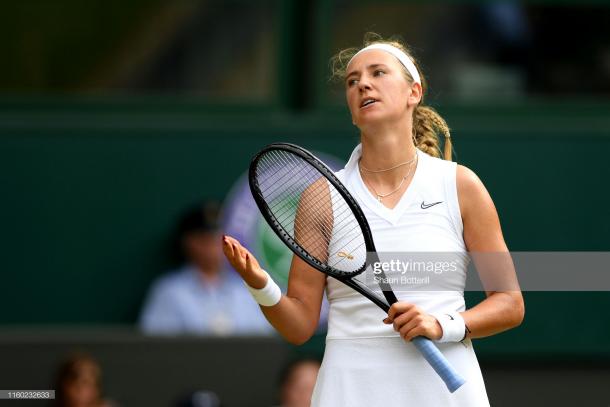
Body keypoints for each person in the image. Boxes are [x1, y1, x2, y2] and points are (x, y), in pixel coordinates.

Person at [222, 33, 524, 406]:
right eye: (352, 81)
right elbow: (299, 325)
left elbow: (510, 303)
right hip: (350, 388)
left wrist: (442, 325)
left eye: (378, 73)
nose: (363, 83)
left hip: (445, 390)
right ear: (351, 108)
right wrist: (260, 286)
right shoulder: (320, 197)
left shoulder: (460, 185)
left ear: (413, 92)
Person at [139, 201, 272, 335]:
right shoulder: (170, 291)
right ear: (188, 242)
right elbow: (156, 347)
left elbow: (264, 343)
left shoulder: (246, 291)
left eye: (222, 237)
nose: (216, 245)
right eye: (206, 239)